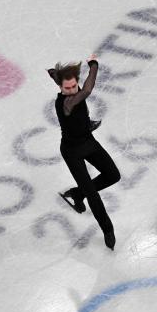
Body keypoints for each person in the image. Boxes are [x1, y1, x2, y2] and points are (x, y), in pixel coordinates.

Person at [47, 54, 121, 250]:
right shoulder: (67, 103)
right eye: (66, 88)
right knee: (93, 195)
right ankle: (107, 229)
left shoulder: (67, 84)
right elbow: (88, 89)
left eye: (73, 86)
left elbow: (60, 78)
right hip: (72, 151)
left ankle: (77, 194)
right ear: (60, 88)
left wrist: (54, 73)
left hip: (88, 141)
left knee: (113, 175)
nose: (71, 91)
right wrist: (94, 64)